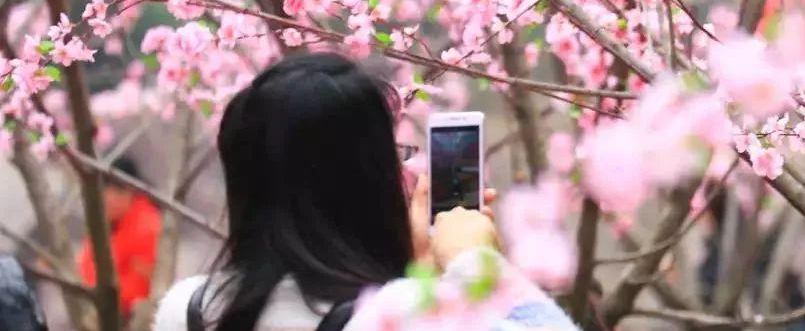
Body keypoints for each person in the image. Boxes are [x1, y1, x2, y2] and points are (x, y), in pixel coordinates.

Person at [152, 53, 574, 331]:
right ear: (367, 179)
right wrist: (473, 261)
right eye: (395, 154)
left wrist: (419, 271)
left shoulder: (186, 311)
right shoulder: (400, 316)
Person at [78, 155, 162, 320]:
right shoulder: (107, 224)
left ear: (133, 192)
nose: (110, 198)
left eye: (119, 191)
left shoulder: (147, 227)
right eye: (106, 190)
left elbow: (140, 290)